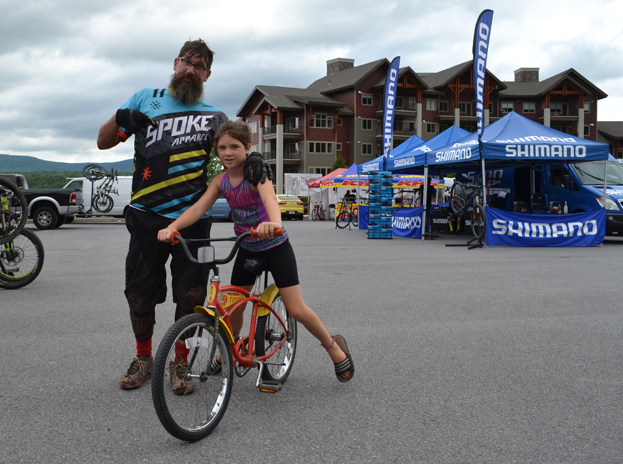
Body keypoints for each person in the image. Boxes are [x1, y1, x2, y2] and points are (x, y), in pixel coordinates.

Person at [97, 39, 271, 391]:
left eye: (199, 65)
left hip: (193, 222)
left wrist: (254, 160)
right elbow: (103, 142)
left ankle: (180, 363)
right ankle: (144, 358)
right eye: (187, 62)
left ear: (207, 74)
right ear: (176, 63)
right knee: (140, 294)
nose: (191, 70)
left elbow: (234, 149)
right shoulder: (146, 98)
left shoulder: (214, 116)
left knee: (191, 296)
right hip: (146, 217)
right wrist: (120, 119)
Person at [157, 120, 355, 383]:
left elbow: (270, 199)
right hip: (247, 246)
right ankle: (230, 349)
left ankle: (333, 346)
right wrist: (172, 227)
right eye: (222, 147)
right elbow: (198, 208)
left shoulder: (256, 174)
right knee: (234, 307)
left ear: (248, 147)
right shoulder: (221, 181)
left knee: (296, 309)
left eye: (235, 147)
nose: (227, 153)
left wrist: (274, 224)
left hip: (275, 246)